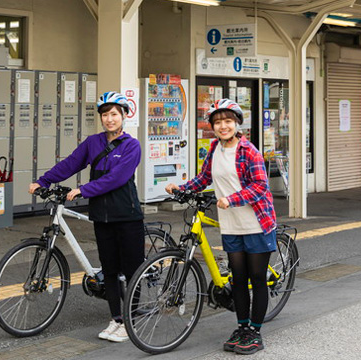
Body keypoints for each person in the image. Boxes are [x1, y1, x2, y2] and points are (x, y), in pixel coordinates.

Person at [29, 91, 144, 343]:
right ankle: (116, 319)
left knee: (131, 270)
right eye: (105, 115)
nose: (109, 119)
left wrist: (83, 190)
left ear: (124, 116)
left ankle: (131, 320)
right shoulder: (93, 143)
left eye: (114, 114)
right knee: (110, 270)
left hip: (127, 215)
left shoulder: (131, 145)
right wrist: (43, 181)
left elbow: (118, 178)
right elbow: (70, 164)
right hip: (101, 216)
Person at [165, 99, 277, 355]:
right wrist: (180, 188)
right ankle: (242, 327)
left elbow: (260, 186)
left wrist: (232, 199)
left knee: (257, 278)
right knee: (238, 279)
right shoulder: (214, 148)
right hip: (231, 224)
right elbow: (205, 177)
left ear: (237, 123)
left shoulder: (249, 150)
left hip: (256, 222)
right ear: (213, 127)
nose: (223, 126)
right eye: (218, 122)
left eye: (228, 121)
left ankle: (255, 332)